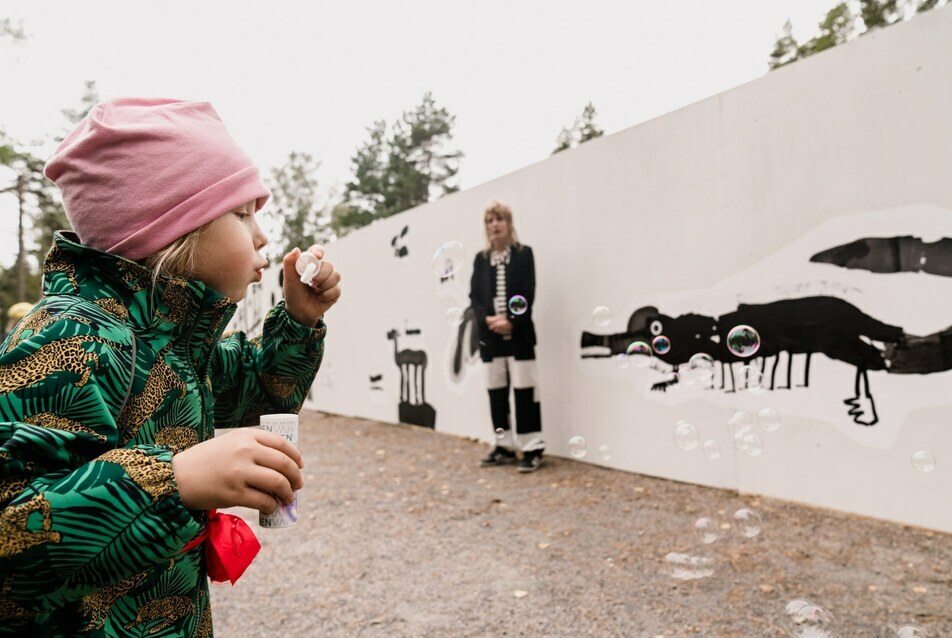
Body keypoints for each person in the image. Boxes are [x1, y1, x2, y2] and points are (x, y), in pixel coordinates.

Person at [0, 98, 341, 636]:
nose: (263, 236)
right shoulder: (74, 339)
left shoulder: (169, 339)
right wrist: (173, 481)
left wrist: (298, 321)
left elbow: (258, 390)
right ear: (169, 230)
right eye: (242, 212)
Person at [469, 200, 544, 473]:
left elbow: (528, 291)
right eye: (489, 221)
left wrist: (512, 321)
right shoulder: (481, 259)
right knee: (496, 393)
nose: (494, 225)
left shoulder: (524, 255)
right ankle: (504, 445)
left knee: (525, 392)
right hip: (492, 339)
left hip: (519, 335)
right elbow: (475, 297)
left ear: (509, 223)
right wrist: (487, 319)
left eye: (499, 219)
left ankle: (532, 446)